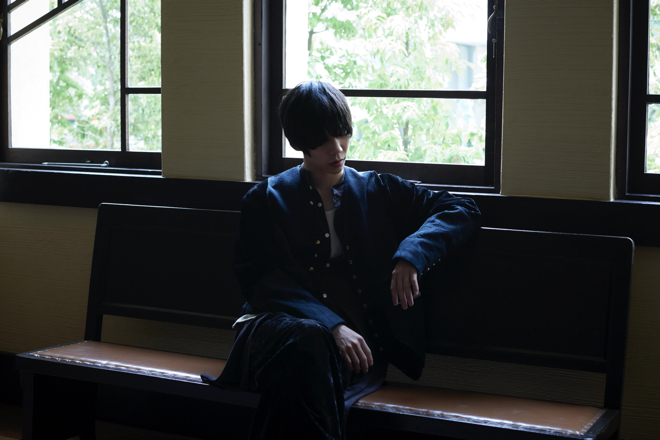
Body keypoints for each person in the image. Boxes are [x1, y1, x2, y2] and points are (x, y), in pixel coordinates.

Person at [202, 80, 481, 439]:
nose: (337, 148)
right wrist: (332, 326)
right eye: (322, 140)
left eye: (342, 133)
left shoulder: (377, 190)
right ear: (299, 142)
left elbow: (461, 208)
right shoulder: (266, 199)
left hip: (347, 351)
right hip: (273, 330)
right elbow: (259, 280)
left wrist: (413, 254)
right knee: (308, 343)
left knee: (298, 375)